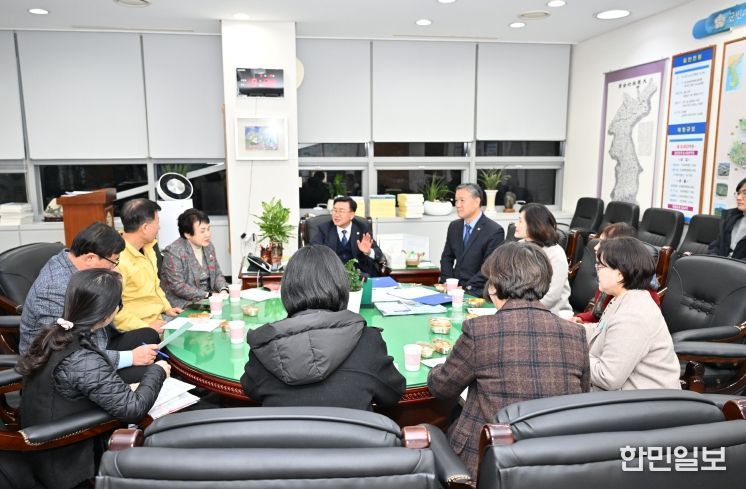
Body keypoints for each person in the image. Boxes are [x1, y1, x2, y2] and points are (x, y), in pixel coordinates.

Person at [428, 241, 589, 478]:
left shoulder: (480, 330)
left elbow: (442, 387)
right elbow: (581, 398)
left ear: (494, 285)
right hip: (554, 466)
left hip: (488, 463)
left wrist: (437, 367)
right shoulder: (575, 334)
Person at [17, 269, 169, 489]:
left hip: (48, 429)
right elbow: (133, 409)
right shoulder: (82, 359)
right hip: (67, 459)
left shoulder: (53, 332)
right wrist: (158, 371)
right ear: (107, 314)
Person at [241, 245, 405, 410]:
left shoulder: (266, 345)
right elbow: (393, 393)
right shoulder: (367, 341)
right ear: (340, 285)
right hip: (349, 428)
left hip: (285, 428)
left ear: (288, 289)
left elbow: (250, 389)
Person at [19, 222, 160, 383]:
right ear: (90, 258)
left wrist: (114, 281)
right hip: (63, 367)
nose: (114, 268)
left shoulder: (70, 260)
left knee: (150, 335)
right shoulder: (57, 289)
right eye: (113, 261)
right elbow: (70, 352)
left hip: (95, 339)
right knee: (151, 373)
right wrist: (130, 357)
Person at [584, 236, 680, 391]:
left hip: (643, 401)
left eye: (600, 267)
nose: (597, 272)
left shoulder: (633, 315)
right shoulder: (625, 297)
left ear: (620, 274)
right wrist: (565, 330)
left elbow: (607, 377)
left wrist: (572, 354)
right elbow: (601, 329)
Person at [113, 198, 182, 333]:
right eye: (157, 222)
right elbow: (115, 312)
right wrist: (147, 327)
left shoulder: (148, 247)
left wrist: (167, 308)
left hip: (159, 318)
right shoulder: (117, 259)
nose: (159, 227)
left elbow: (155, 286)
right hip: (138, 328)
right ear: (145, 227)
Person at [574, 223, 660, 323]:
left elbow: (612, 327)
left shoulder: (641, 298)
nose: (596, 247)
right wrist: (580, 319)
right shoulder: (612, 277)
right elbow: (598, 316)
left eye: (603, 243)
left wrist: (583, 326)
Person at [440, 183, 504, 297]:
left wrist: (465, 288)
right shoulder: (454, 226)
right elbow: (447, 257)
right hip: (453, 290)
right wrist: (448, 282)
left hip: (477, 291)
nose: (458, 205)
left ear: (476, 202)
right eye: (456, 200)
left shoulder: (494, 231)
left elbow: (489, 268)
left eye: (462, 200)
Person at [161, 208, 229, 309]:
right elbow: (178, 286)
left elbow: (217, 273)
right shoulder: (174, 252)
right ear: (187, 234)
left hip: (208, 299)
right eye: (202, 231)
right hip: (183, 303)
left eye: (208, 229)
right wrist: (208, 295)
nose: (208, 234)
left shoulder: (208, 246)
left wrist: (223, 290)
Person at [514, 203, 571, 315]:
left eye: (520, 221)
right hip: (522, 309)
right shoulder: (519, 246)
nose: (516, 224)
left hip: (553, 313)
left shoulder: (555, 253)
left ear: (534, 224)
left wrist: (522, 310)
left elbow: (552, 297)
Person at [309, 196, 384, 277]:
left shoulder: (362, 227)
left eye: (341, 211)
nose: (336, 214)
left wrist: (368, 252)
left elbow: (378, 254)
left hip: (359, 274)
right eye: (334, 210)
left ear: (351, 215)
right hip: (332, 275)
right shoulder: (324, 228)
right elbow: (311, 250)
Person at [708, 177, 746, 260]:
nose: (739, 197)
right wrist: (714, 260)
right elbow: (716, 245)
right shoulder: (731, 218)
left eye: (745, 193)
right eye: (738, 193)